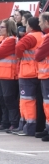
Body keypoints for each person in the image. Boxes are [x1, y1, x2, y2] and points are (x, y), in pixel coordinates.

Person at [0, 19, 20, 132]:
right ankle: (5, 122)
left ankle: (14, 122)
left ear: (9, 28)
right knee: (1, 99)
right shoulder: (0, 39)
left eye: (2, 27)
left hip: (9, 74)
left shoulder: (11, 40)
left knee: (8, 99)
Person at [14, 16, 43, 136]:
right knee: (37, 101)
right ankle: (35, 126)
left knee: (26, 101)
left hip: (27, 72)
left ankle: (28, 127)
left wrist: (19, 56)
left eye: (26, 25)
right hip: (39, 71)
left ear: (30, 26)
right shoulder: (42, 36)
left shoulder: (30, 37)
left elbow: (19, 47)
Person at [34, 12, 49, 141]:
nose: (39, 24)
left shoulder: (48, 37)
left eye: (40, 21)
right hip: (45, 74)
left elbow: (38, 55)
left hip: (47, 75)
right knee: (46, 104)